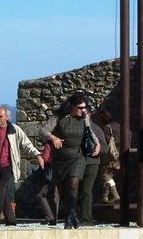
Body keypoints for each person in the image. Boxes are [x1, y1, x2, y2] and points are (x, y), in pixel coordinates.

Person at [0, 105, 43, 226]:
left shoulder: (15, 130)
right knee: (3, 193)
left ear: (7, 117)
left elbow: (26, 144)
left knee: (1, 187)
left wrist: (37, 155)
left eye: (1, 117)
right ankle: (11, 220)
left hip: (9, 165)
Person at [50, 92, 99, 229]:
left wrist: (97, 143)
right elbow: (42, 130)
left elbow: (89, 132)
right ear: (72, 106)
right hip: (61, 158)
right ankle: (72, 215)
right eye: (80, 107)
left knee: (73, 183)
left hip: (78, 156)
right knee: (64, 190)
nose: (83, 110)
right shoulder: (59, 117)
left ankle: (70, 215)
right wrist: (53, 138)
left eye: (85, 107)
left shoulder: (84, 119)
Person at [78, 101, 107, 225]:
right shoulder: (77, 127)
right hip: (79, 162)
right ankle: (85, 216)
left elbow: (105, 149)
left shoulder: (96, 129)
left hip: (91, 162)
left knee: (86, 190)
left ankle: (86, 218)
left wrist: (99, 149)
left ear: (89, 115)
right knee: (81, 190)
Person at [94, 110, 120, 204]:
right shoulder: (119, 126)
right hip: (118, 154)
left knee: (104, 175)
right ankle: (104, 196)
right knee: (110, 176)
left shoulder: (107, 127)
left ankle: (115, 195)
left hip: (110, 155)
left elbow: (104, 142)